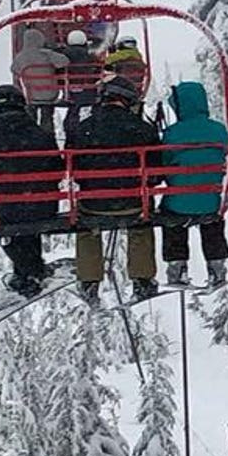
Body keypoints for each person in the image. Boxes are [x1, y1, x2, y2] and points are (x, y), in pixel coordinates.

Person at [0, 83, 63, 296]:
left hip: (6, 208)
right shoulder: (39, 133)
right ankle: (29, 271)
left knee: (13, 216)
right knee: (29, 212)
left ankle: (27, 271)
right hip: (43, 205)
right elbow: (58, 168)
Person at [67, 76, 162, 299]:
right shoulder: (143, 129)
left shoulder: (83, 129)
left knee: (87, 228)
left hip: (94, 204)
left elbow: (75, 171)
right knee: (141, 221)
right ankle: (142, 279)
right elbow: (156, 173)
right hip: (133, 203)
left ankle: (89, 281)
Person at [157, 77, 228, 288]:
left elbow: (164, 166)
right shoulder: (218, 130)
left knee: (171, 217)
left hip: (179, 203)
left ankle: (177, 267)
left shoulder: (172, 134)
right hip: (210, 200)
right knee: (212, 219)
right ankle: (216, 267)